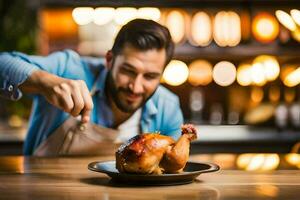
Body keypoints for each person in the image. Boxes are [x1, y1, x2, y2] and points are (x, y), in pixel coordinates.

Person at [0, 19, 184, 155]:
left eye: (150, 76)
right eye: (128, 71)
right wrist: (45, 82)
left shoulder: (167, 108)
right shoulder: (68, 68)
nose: (135, 87)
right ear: (109, 60)